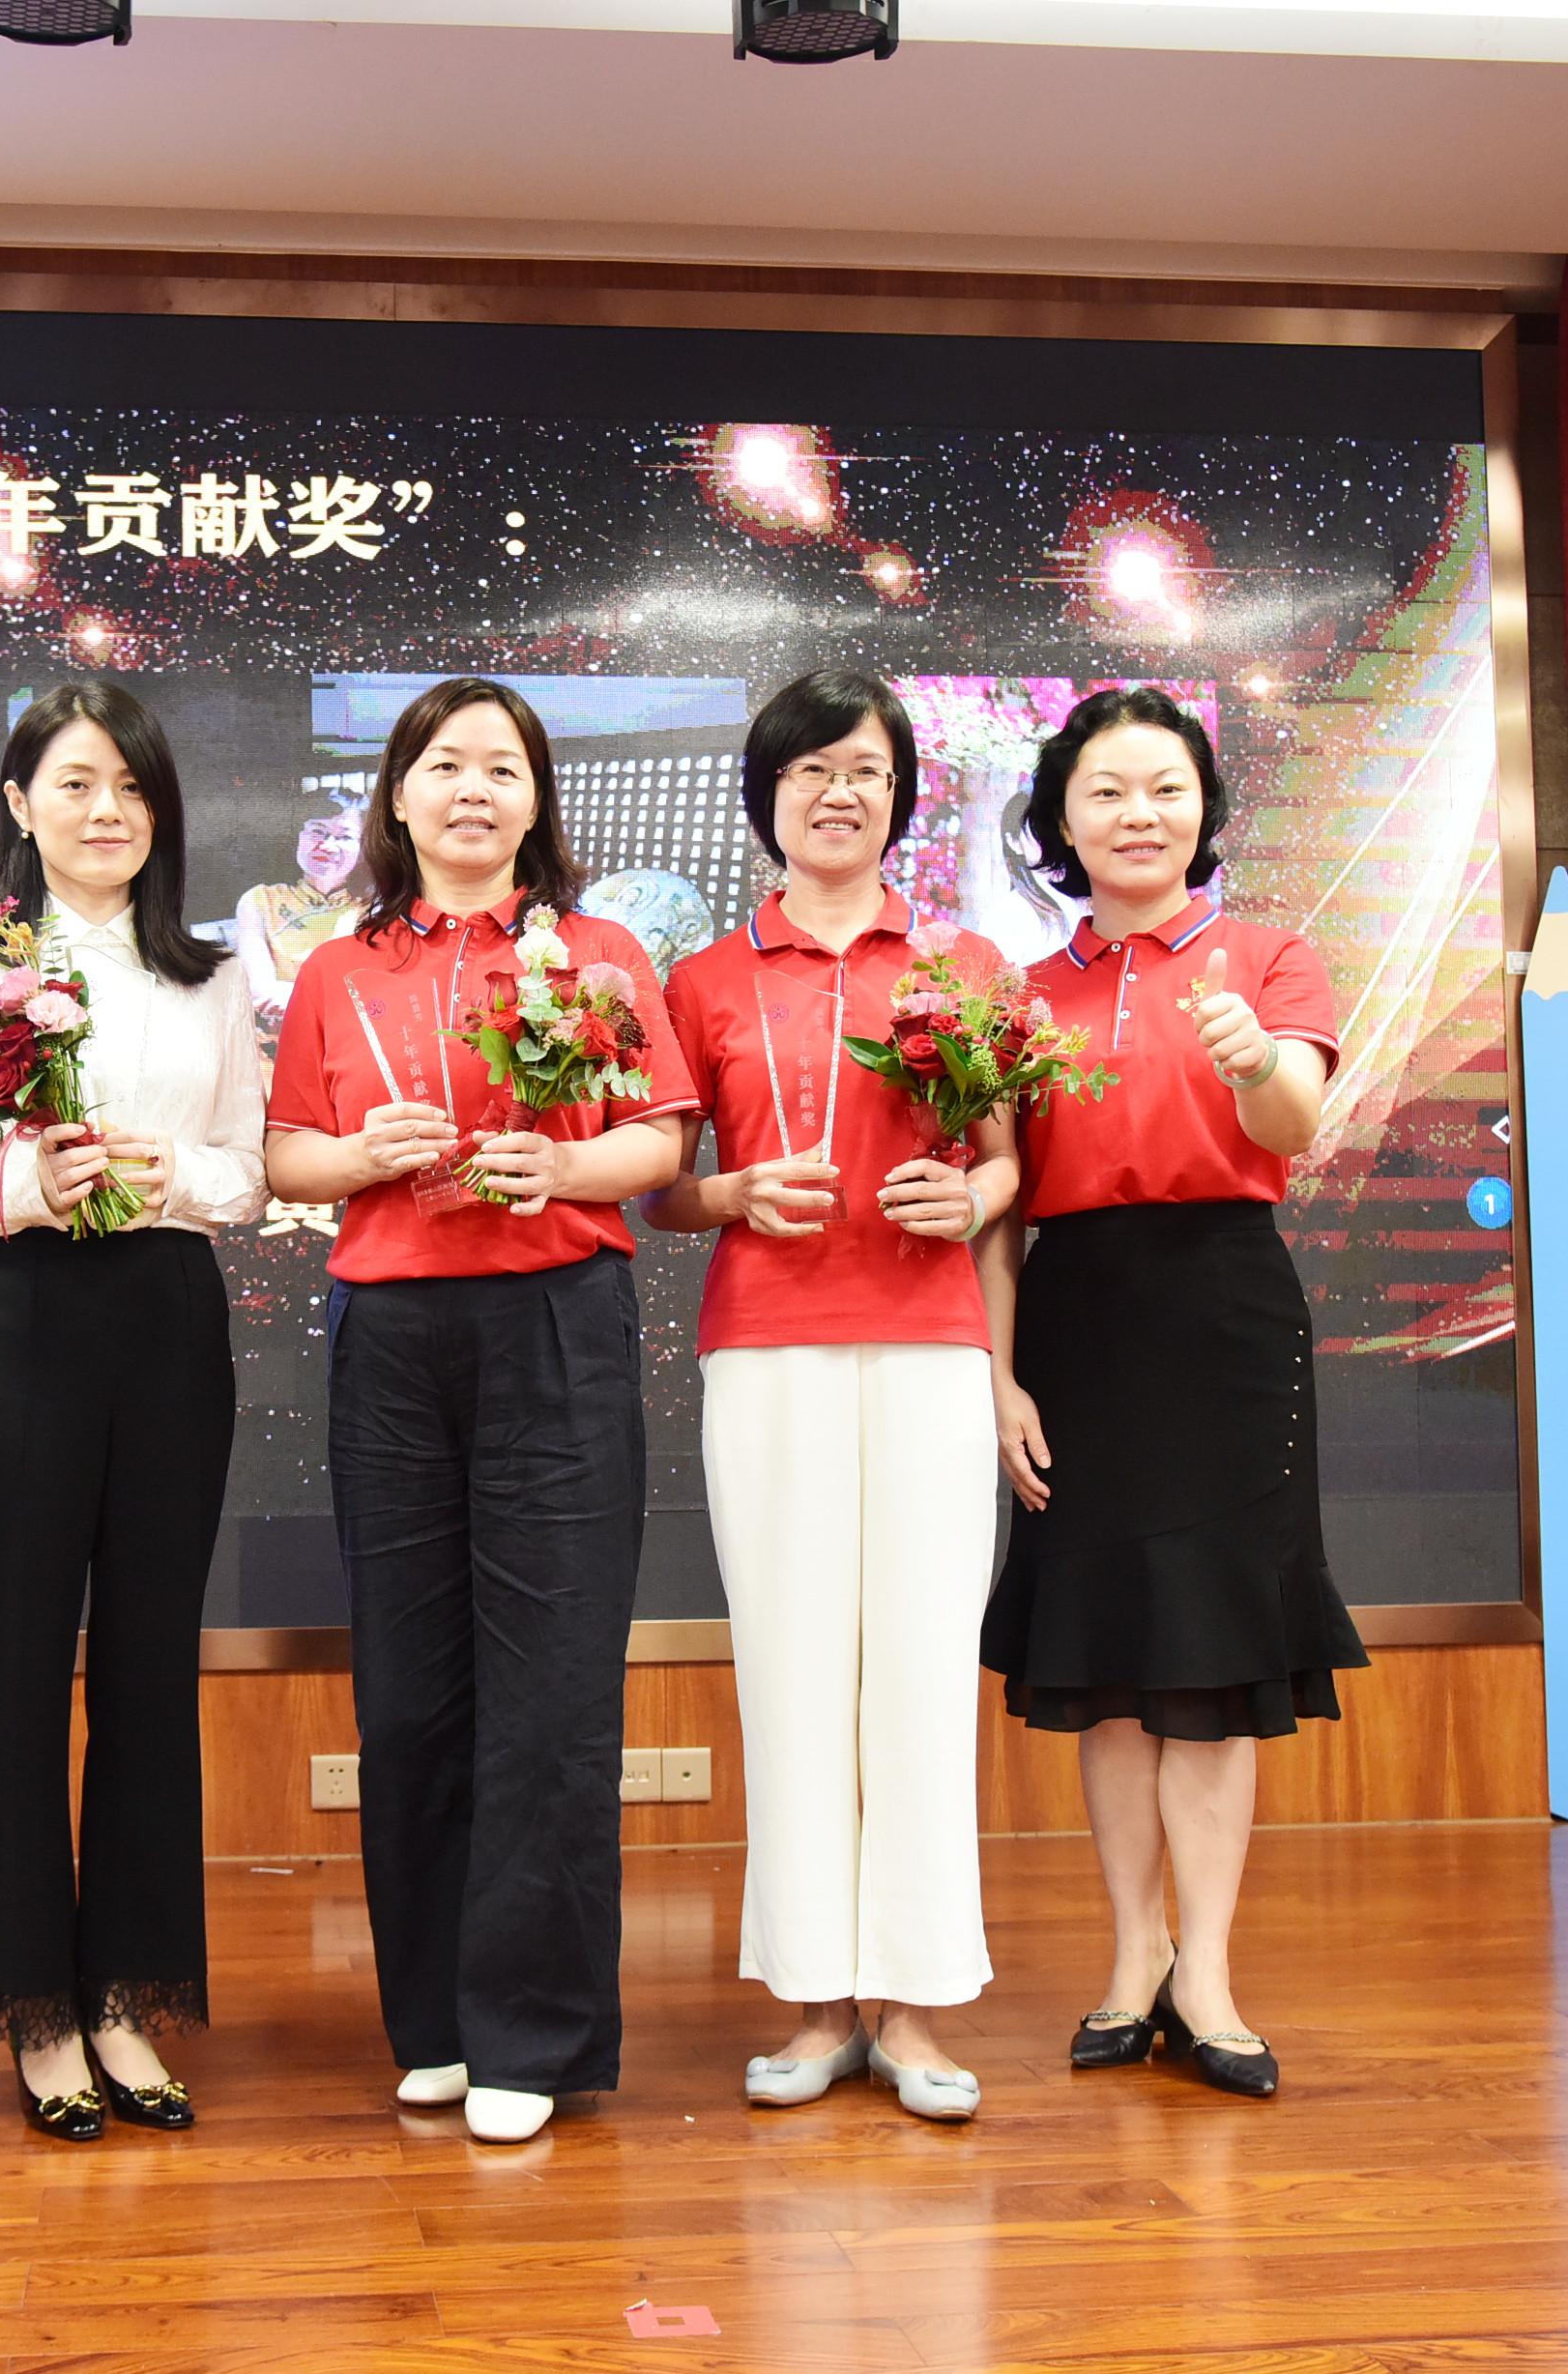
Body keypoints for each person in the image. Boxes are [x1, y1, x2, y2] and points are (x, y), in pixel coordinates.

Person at [261, 676, 696, 2145]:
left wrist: (565, 1169)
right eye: (443, 764)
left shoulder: (597, 952)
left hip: (555, 1322)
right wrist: (360, 1158)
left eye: (501, 768)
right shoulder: (339, 969)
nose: (471, 789)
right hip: (390, 1336)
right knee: (410, 1687)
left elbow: (659, 1138)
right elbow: (287, 1158)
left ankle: (534, 2034)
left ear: (534, 801)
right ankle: (436, 2022)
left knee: (551, 1687)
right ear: (395, 795)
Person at [0, 681, 266, 2142]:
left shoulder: (206, 974)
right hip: (22, 1318)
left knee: (152, 1668)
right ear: (20, 802)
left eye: (134, 788)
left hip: (167, 1319)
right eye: (79, 783)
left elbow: (248, 1165)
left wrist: (183, 1177)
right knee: (24, 1664)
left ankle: (128, 1996)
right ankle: (35, 2008)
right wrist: (23, 1184)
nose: (109, 811)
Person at [979, 685, 1368, 2102]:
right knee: (1106, 1667)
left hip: (1224, 1316)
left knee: (1209, 1658)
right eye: (1104, 791)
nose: (1137, 815)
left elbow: (1292, 1123)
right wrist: (999, 1374)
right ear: (1059, 819)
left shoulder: (1266, 956)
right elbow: (998, 1206)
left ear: (1203, 808)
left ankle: (1206, 1970)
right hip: (1076, 1320)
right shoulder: (1019, 995)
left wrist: (1253, 1059)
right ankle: (1130, 1953)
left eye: (1165, 788)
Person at [645, 670, 1015, 2124]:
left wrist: (967, 1196)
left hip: (930, 1343)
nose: (838, 792)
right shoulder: (703, 979)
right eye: (809, 770)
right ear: (769, 797)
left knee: (921, 1669)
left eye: (863, 768)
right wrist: (734, 1191)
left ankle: (913, 2006)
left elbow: (1008, 1161)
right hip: (767, 1346)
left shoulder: (965, 964)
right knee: (791, 1671)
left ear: (898, 793)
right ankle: (812, 2000)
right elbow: (663, 1188)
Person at [233, 785, 365, 1023]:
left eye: (345, 837)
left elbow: (373, 995)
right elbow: (260, 991)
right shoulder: (260, 901)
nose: (327, 846)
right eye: (317, 831)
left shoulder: (375, 909)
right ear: (296, 835)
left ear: (362, 849)